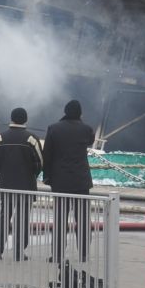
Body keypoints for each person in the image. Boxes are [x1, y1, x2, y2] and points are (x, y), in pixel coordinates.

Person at [43, 99, 96, 262]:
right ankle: (84, 254)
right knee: (83, 219)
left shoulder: (53, 129)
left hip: (60, 181)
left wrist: (47, 176)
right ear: (80, 113)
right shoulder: (87, 129)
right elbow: (90, 142)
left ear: (65, 111)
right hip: (81, 181)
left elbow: (47, 154)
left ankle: (57, 254)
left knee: (60, 219)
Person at [0, 108, 44, 261]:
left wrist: (3, 172)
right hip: (26, 186)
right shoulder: (31, 139)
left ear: (11, 118)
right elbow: (40, 163)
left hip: (6, 184)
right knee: (23, 219)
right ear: (25, 120)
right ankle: (19, 252)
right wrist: (31, 174)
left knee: (4, 217)